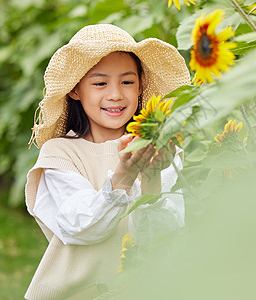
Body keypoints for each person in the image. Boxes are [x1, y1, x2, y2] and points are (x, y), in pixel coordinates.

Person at [24, 24, 191, 300]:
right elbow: (82, 228)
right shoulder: (60, 154)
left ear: (141, 87)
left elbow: (168, 231)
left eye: (127, 82)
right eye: (100, 83)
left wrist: (151, 176)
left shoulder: (157, 148)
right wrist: (124, 175)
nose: (115, 94)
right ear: (76, 90)